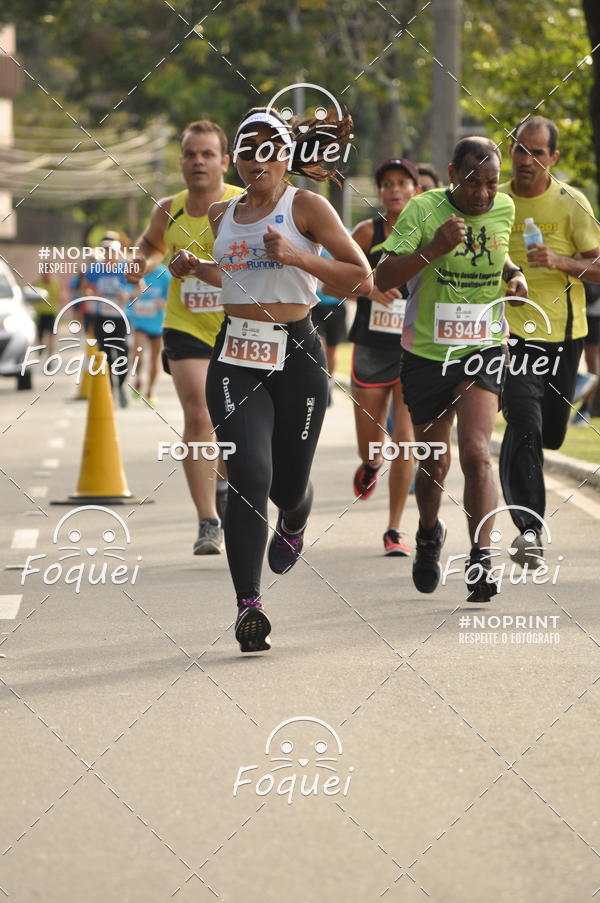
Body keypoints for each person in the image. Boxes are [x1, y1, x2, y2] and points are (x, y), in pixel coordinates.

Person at [169, 105, 372, 652]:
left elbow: (360, 277)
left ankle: (296, 517)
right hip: (236, 354)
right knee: (249, 475)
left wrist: (299, 258)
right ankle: (248, 606)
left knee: (286, 486)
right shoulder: (221, 213)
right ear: (236, 159)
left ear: (285, 156)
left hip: (297, 354)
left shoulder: (306, 206)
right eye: (247, 149)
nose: (257, 159)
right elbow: (236, 274)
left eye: (268, 149)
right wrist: (195, 268)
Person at [376, 137, 528, 603]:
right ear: (451, 174)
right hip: (427, 353)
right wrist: (432, 250)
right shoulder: (423, 210)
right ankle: (428, 532)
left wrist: (514, 275)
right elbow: (383, 275)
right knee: (435, 462)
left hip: (482, 346)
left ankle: (482, 558)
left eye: (491, 183)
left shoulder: (504, 208)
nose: (482, 194)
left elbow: (497, 249)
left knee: (477, 453)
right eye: (472, 183)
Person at [127, 120, 244, 555]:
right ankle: (208, 521)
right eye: (191, 154)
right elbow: (149, 244)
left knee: (234, 422)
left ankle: (226, 489)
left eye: (207, 154)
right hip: (186, 325)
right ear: (181, 161)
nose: (198, 161)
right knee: (199, 414)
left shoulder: (243, 204)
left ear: (224, 161)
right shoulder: (168, 209)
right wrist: (139, 262)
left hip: (241, 326)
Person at [498, 116, 600, 564]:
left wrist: (560, 261)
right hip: (511, 335)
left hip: (562, 335)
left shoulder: (571, 203)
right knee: (523, 419)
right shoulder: (495, 200)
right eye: (520, 149)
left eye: (537, 152)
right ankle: (529, 530)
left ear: (553, 158)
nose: (527, 159)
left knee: (551, 434)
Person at [346, 158, 421, 557]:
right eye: (387, 183)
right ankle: (371, 465)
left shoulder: (428, 232)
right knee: (370, 446)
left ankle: (394, 529)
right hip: (371, 347)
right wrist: (370, 288)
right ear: (379, 192)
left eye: (402, 182)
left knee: (405, 438)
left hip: (413, 347)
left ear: (415, 190)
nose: (394, 190)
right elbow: (331, 280)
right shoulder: (366, 232)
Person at [81, 232, 134, 408]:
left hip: (121, 317)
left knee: (123, 351)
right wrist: (91, 294)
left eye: (111, 251)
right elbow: (84, 289)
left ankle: (121, 384)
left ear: (118, 253)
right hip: (101, 317)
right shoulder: (95, 269)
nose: (108, 255)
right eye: (105, 251)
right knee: (105, 353)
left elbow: (140, 287)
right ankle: (110, 390)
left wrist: (128, 295)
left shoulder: (126, 267)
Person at [128, 265, 170, 403]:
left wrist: (164, 303)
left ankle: (151, 390)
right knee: (137, 354)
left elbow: (172, 299)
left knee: (154, 359)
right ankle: (138, 379)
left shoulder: (164, 274)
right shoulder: (136, 272)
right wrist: (132, 296)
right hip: (140, 322)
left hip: (158, 324)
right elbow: (127, 294)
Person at [311, 249, 347, 405]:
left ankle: (328, 384)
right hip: (314, 306)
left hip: (336, 306)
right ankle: (319, 388)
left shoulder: (341, 242)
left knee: (332, 352)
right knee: (320, 346)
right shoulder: (310, 241)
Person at [572, 282, 600, 424]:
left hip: (593, 313)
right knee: (574, 356)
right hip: (575, 310)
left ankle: (585, 410)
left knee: (592, 359)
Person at [32, 272, 62, 357]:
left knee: (51, 337)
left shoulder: (55, 284)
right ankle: (41, 351)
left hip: (52, 314)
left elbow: (60, 297)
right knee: (40, 338)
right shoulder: (37, 284)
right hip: (40, 314)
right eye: (45, 273)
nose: (47, 275)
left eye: (49, 273)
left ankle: (50, 357)